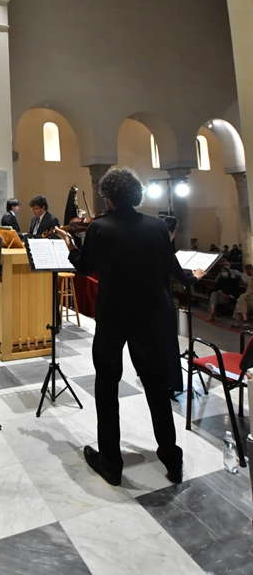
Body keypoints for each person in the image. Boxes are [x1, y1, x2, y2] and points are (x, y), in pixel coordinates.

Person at [56, 167, 183, 486]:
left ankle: (111, 461)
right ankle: (171, 456)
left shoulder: (100, 227)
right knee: (155, 385)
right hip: (151, 316)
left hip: (114, 316)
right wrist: (189, 278)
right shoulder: (157, 226)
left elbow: (84, 268)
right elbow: (172, 266)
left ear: (108, 197)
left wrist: (71, 245)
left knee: (107, 385)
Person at [162, 216, 205, 396]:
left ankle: (153, 376)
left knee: (155, 343)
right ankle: (170, 385)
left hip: (146, 304)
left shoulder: (145, 249)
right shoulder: (165, 252)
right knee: (169, 344)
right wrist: (197, 276)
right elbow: (185, 281)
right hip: (162, 303)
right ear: (173, 232)